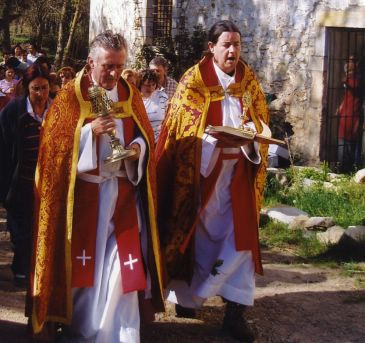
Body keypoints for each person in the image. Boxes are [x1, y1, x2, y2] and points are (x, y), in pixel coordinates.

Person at [29, 30, 164, 342]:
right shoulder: (70, 97)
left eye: (119, 66)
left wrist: (138, 151)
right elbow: (53, 152)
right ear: (91, 63)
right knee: (86, 272)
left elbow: (146, 138)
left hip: (124, 193)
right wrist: (87, 134)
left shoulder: (129, 94)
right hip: (86, 200)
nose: (115, 74)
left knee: (122, 268)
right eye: (108, 66)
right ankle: (86, 329)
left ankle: (121, 334)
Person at [156, 20, 269, 343]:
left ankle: (235, 313)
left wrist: (250, 140)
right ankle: (187, 301)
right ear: (211, 47)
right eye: (226, 45)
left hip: (238, 179)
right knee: (194, 241)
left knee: (241, 245)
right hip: (201, 182)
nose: (233, 51)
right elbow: (182, 131)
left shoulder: (248, 82)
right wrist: (212, 144)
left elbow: (261, 122)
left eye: (237, 44)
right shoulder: (193, 82)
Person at [0, 64, 52, 287]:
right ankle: (21, 271)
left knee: (44, 230)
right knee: (20, 231)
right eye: (36, 89)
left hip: (50, 184)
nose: (41, 94)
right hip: (20, 183)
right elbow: (2, 151)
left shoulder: (58, 109)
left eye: (44, 88)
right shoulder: (13, 111)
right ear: (26, 88)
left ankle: (39, 272)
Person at [337, 54, 364, 171]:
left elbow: (356, 91)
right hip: (345, 116)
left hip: (355, 117)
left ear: (357, 64)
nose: (347, 64)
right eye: (346, 61)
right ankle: (342, 169)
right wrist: (341, 106)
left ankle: (352, 170)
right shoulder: (348, 78)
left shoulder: (359, 79)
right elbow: (347, 94)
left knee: (354, 147)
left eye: (351, 61)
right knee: (342, 146)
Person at [139, 69, 168, 142]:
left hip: (158, 142)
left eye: (153, 84)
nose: (151, 88)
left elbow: (167, 120)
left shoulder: (162, 96)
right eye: (147, 85)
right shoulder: (135, 99)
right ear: (140, 84)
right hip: (141, 141)